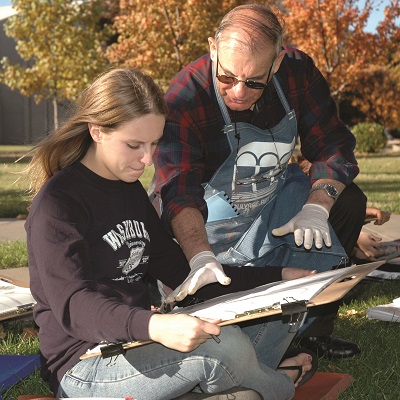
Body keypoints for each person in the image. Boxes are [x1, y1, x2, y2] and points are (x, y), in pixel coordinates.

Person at [24, 68, 318, 400]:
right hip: (87, 367)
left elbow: (183, 275)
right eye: (134, 145)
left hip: (139, 343)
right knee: (225, 346)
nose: (147, 160)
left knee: (286, 308)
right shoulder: (58, 204)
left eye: (154, 143)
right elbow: (75, 307)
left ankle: (238, 385)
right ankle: (277, 386)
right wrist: (156, 327)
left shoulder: (129, 191)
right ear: (97, 131)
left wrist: (281, 278)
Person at [151, 3, 366, 359]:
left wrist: (317, 206)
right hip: (205, 225)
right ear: (212, 49)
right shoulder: (185, 96)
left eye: (254, 82)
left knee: (347, 201)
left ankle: (313, 330)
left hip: (270, 205)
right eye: (227, 77)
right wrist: (199, 255)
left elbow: (332, 144)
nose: (238, 92)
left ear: (277, 63)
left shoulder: (298, 73)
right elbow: (177, 186)